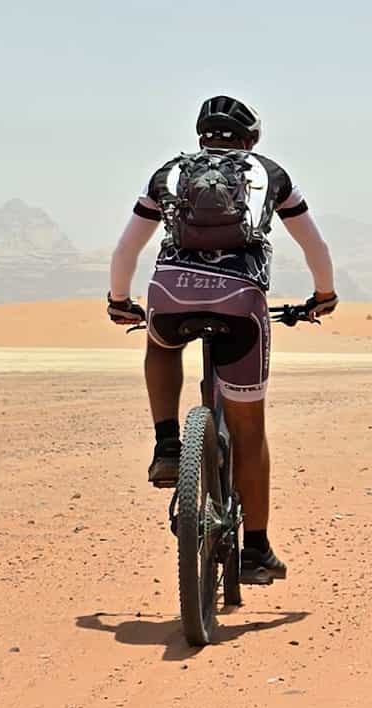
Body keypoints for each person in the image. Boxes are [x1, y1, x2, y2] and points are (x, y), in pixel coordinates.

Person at [105, 94, 336, 584]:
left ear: (200, 136)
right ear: (252, 138)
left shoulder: (168, 173)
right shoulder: (271, 173)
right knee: (250, 431)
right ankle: (256, 548)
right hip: (240, 302)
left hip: (171, 292)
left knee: (160, 343)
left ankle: (168, 444)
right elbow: (313, 243)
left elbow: (128, 246)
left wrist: (119, 300)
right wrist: (323, 294)